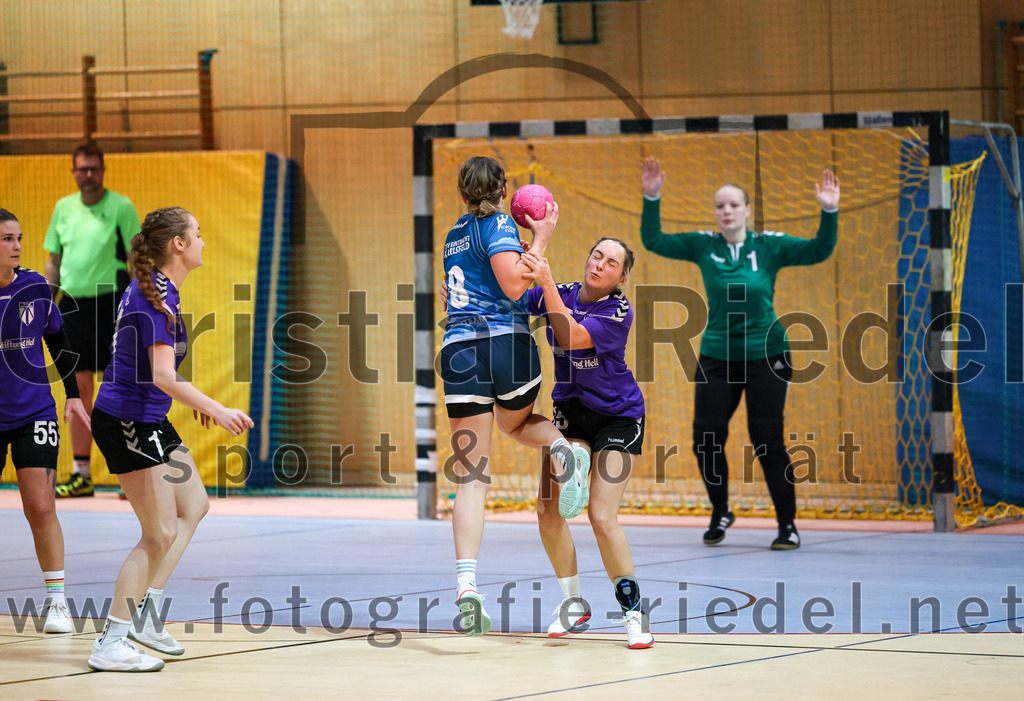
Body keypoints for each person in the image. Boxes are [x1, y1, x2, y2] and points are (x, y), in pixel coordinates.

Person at [639, 157, 840, 550]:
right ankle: (721, 510)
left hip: (768, 354)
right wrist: (652, 196)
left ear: (748, 211)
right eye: (720, 205)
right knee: (706, 437)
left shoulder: (769, 247)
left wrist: (829, 209)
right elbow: (654, 241)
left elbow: (819, 250)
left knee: (766, 439)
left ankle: (787, 525)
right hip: (717, 355)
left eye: (733, 205)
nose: (726, 211)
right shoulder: (703, 245)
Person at [87, 207, 253, 672]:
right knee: (158, 532)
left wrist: (195, 402)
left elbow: (157, 372)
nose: (204, 240)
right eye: (198, 233)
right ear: (178, 244)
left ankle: (146, 612)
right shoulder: (154, 295)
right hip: (128, 422)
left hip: (150, 418)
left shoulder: (162, 292)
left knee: (195, 505)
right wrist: (216, 409)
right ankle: (111, 641)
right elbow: (162, 374)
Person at [440, 157, 589, 637]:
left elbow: (465, 289)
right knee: (517, 423)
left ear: (462, 193)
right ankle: (563, 449)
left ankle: (466, 585)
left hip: (458, 348)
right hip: (503, 343)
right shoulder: (499, 223)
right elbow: (512, 284)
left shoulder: (454, 234)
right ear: (503, 190)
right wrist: (542, 236)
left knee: (472, 478)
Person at [520, 237, 655, 649]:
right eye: (596, 255)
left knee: (600, 514)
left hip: (618, 415)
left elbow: (570, 337)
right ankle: (573, 602)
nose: (599, 265)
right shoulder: (558, 292)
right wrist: (464, 294)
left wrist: (542, 282)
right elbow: (509, 295)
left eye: (611, 262)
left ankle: (633, 612)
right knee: (547, 508)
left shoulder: (618, 310)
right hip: (571, 411)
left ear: (622, 278)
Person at [0, 209, 91, 635]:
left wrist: (73, 394)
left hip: (33, 412)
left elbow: (57, 339)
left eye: (19, 237)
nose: (17, 245)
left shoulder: (35, 286)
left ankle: (57, 602)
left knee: (41, 506)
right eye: (6, 239)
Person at [44, 141, 141, 498]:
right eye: (82, 169)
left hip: (112, 304)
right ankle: (82, 475)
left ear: (103, 170)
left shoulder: (121, 206)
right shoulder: (63, 209)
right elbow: (54, 260)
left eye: (94, 168)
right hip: (72, 308)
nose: (88, 175)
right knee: (80, 389)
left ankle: (132, 473)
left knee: (121, 388)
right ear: (73, 172)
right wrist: (45, 302)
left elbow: (134, 257)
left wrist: (139, 305)